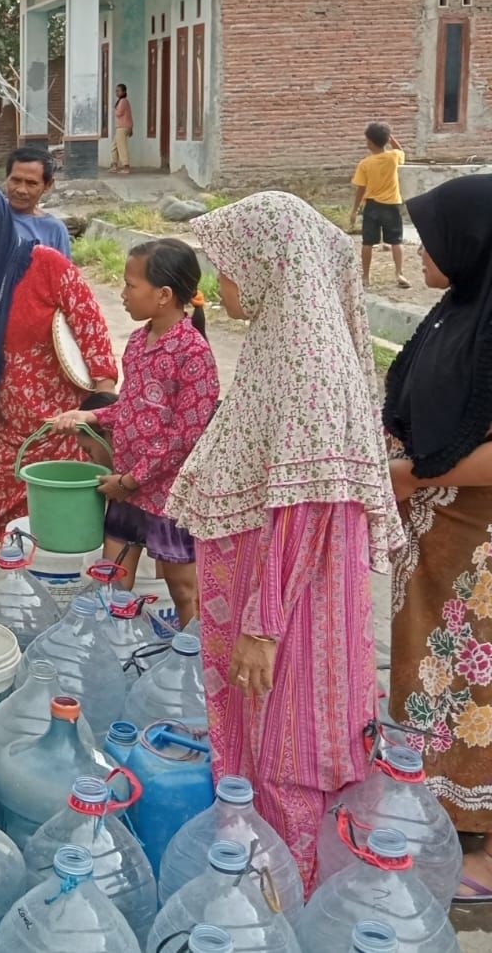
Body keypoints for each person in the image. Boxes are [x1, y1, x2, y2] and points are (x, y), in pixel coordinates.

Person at [166, 191, 401, 893]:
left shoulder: (306, 361)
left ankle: (288, 902)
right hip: (291, 597)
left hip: (298, 613)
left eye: (227, 266)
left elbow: (308, 504)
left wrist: (262, 629)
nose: (218, 285)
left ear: (269, 263)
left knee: (293, 754)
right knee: (279, 748)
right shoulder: (287, 343)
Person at [382, 174, 492, 899]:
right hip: (432, 539)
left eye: (432, 237)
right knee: (426, 680)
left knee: (473, 689)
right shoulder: (457, 310)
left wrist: (415, 479)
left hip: (477, 548)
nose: (418, 249)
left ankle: (479, 853)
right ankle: (437, 819)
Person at [49, 238, 219, 628]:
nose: (123, 294)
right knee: (111, 578)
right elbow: (133, 406)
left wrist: (132, 479)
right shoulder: (139, 342)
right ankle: (110, 645)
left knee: (182, 587)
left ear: (163, 295)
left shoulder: (193, 353)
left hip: (169, 494)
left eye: (130, 285)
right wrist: (90, 417)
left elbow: (184, 435)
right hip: (128, 487)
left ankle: (190, 661)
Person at [0, 181, 116, 540]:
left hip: (56, 427)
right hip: (0, 429)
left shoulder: (45, 264)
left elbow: (89, 325)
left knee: (56, 526)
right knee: (1, 527)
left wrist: (102, 399)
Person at [348, 121, 411, 289]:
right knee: (396, 241)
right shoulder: (393, 157)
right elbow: (401, 151)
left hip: (372, 206)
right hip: (392, 205)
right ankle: (399, 273)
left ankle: (366, 277)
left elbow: (361, 189)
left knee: (367, 243)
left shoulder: (365, 164)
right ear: (385, 140)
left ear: (368, 142)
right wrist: (391, 139)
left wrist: (355, 210)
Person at [3, 147, 71, 257]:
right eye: (15, 180)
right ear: (7, 178)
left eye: (31, 183)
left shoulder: (54, 230)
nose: (21, 190)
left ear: (48, 185)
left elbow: (61, 272)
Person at [112, 84, 133, 174]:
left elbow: (118, 113)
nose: (117, 92)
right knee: (114, 147)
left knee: (121, 147)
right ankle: (114, 165)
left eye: (119, 91)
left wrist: (114, 109)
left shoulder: (123, 101)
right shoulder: (122, 101)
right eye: (116, 91)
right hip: (122, 127)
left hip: (122, 127)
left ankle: (126, 167)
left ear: (124, 92)